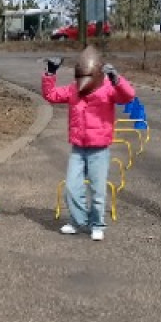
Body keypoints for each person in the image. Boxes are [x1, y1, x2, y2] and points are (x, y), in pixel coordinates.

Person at [41, 46, 135, 241]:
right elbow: (51, 95)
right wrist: (50, 72)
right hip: (78, 146)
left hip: (99, 148)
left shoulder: (108, 89)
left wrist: (117, 79)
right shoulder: (73, 90)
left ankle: (97, 224)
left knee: (97, 189)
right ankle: (77, 221)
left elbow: (128, 96)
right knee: (72, 187)